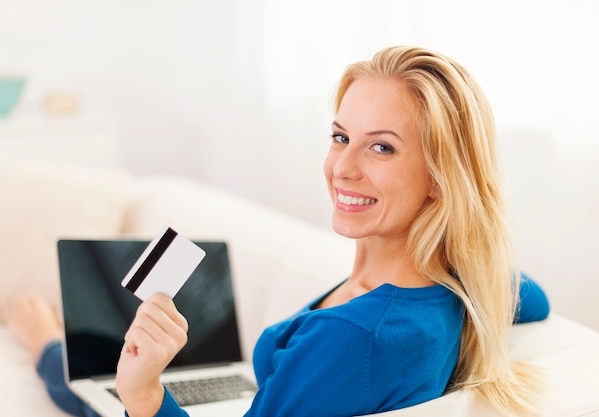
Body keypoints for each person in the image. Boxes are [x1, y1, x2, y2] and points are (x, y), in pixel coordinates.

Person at [8, 45, 550, 417]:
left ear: (440, 178)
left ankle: (47, 346)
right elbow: (534, 299)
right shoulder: (459, 286)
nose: (343, 167)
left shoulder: (353, 338)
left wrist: (145, 392)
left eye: (381, 146)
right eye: (341, 137)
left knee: (72, 373)